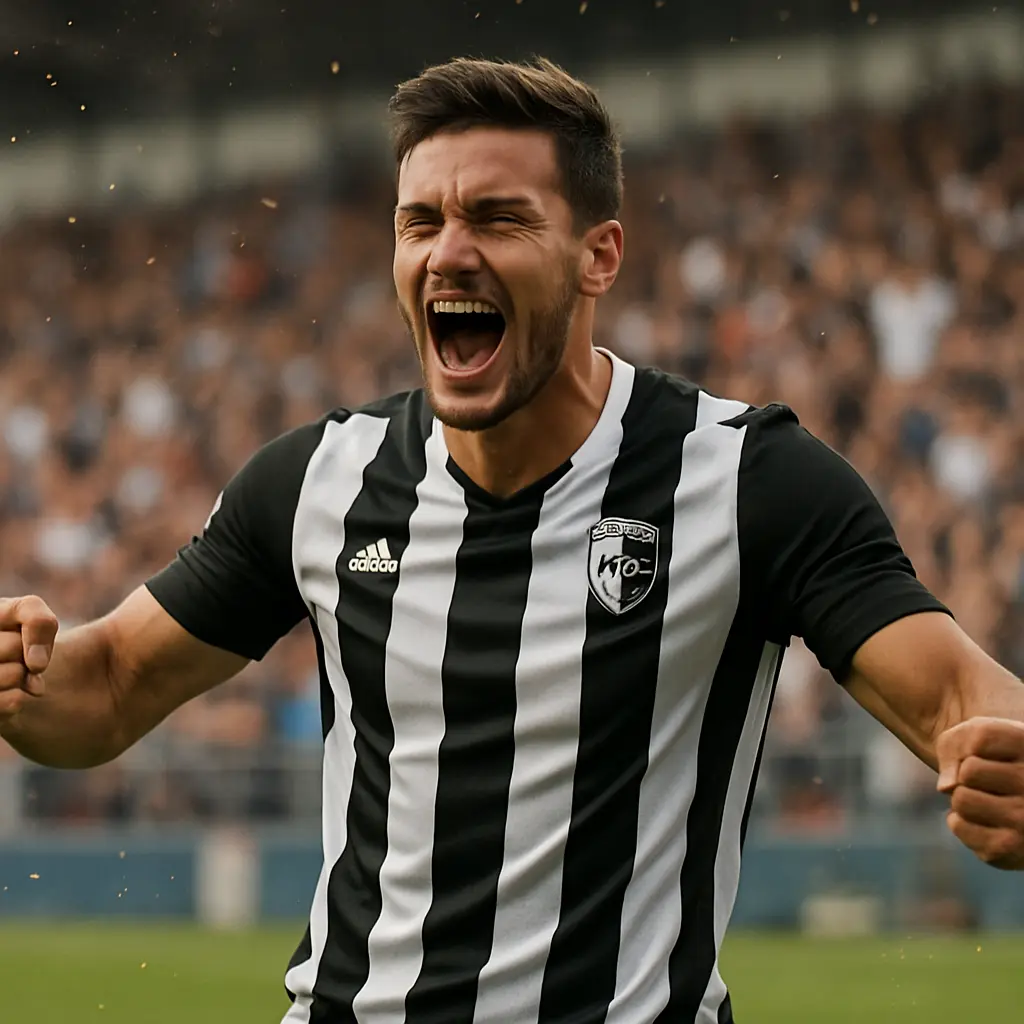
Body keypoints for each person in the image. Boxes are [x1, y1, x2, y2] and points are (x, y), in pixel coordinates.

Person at [1, 57, 1022, 1024]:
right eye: (420, 222)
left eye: (498, 218)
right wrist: (22, 675)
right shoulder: (318, 483)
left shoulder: (749, 483)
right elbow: (110, 686)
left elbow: (959, 702)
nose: (448, 252)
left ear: (598, 255)